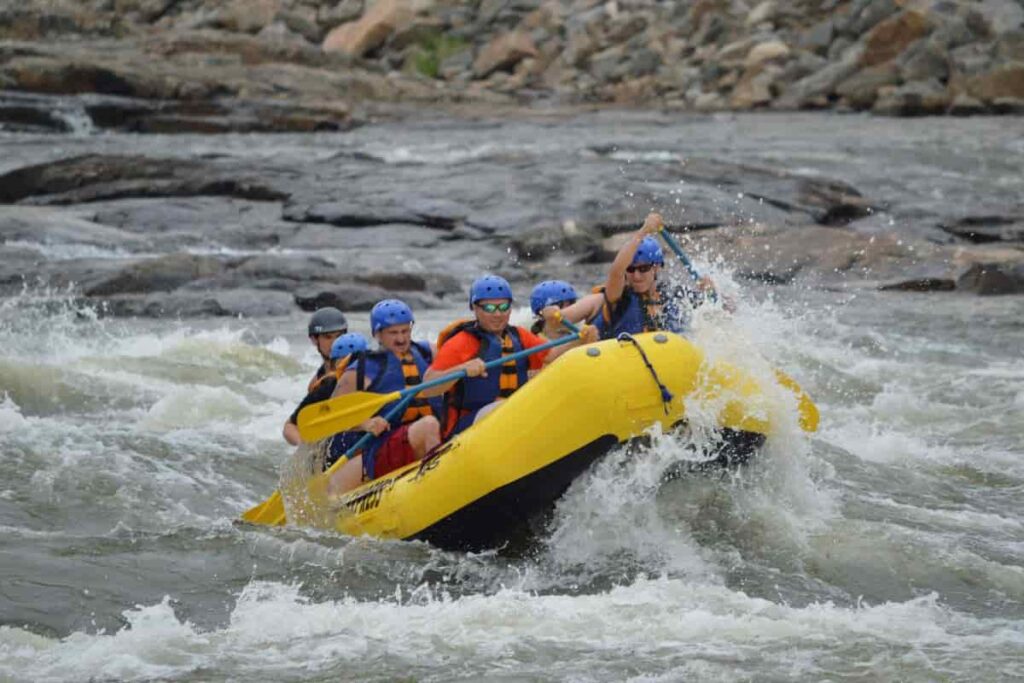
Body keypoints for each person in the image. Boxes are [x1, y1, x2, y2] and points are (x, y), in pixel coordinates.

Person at [422, 274, 597, 439]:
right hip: (467, 428)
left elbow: (551, 355)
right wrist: (462, 368)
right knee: (508, 408)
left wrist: (580, 341)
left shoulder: (518, 336)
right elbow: (428, 387)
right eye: (490, 308)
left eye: (503, 307)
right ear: (475, 308)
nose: (498, 314)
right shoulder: (461, 343)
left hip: (512, 419)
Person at [326, 299, 443, 494]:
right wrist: (365, 423)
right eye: (393, 333)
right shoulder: (363, 369)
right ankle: (437, 487)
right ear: (377, 334)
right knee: (429, 424)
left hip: (431, 433)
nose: (401, 339)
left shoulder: (427, 352)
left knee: (433, 424)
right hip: (386, 445)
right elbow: (332, 415)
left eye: (405, 331)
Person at [560, 212, 715, 338]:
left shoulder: (675, 294)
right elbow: (617, 271)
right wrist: (643, 232)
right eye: (631, 269)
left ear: (656, 268)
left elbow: (718, 309)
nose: (636, 276)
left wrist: (710, 291)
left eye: (643, 269)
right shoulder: (619, 297)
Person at [282, 332, 367, 446]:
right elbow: (290, 426)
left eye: (357, 364)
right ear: (334, 366)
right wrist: (304, 445)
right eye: (347, 365)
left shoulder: (380, 379)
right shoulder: (327, 386)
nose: (352, 370)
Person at [304, 307, 349, 392]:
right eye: (328, 337)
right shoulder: (315, 385)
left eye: (339, 336)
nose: (335, 342)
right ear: (314, 339)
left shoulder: (360, 368)